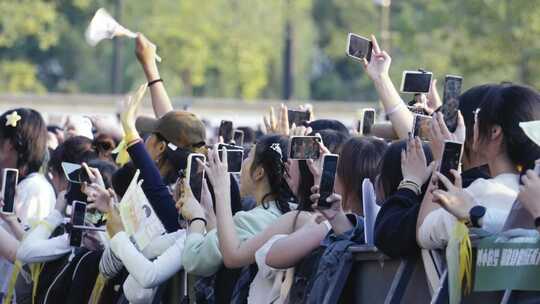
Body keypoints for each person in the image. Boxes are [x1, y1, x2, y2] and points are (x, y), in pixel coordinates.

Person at [417, 84, 540, 249]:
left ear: (494, 131)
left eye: (477, 116)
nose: (473, 124)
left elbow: (424, 231)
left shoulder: (482, 192)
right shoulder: (530, 190)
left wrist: (443, 159)